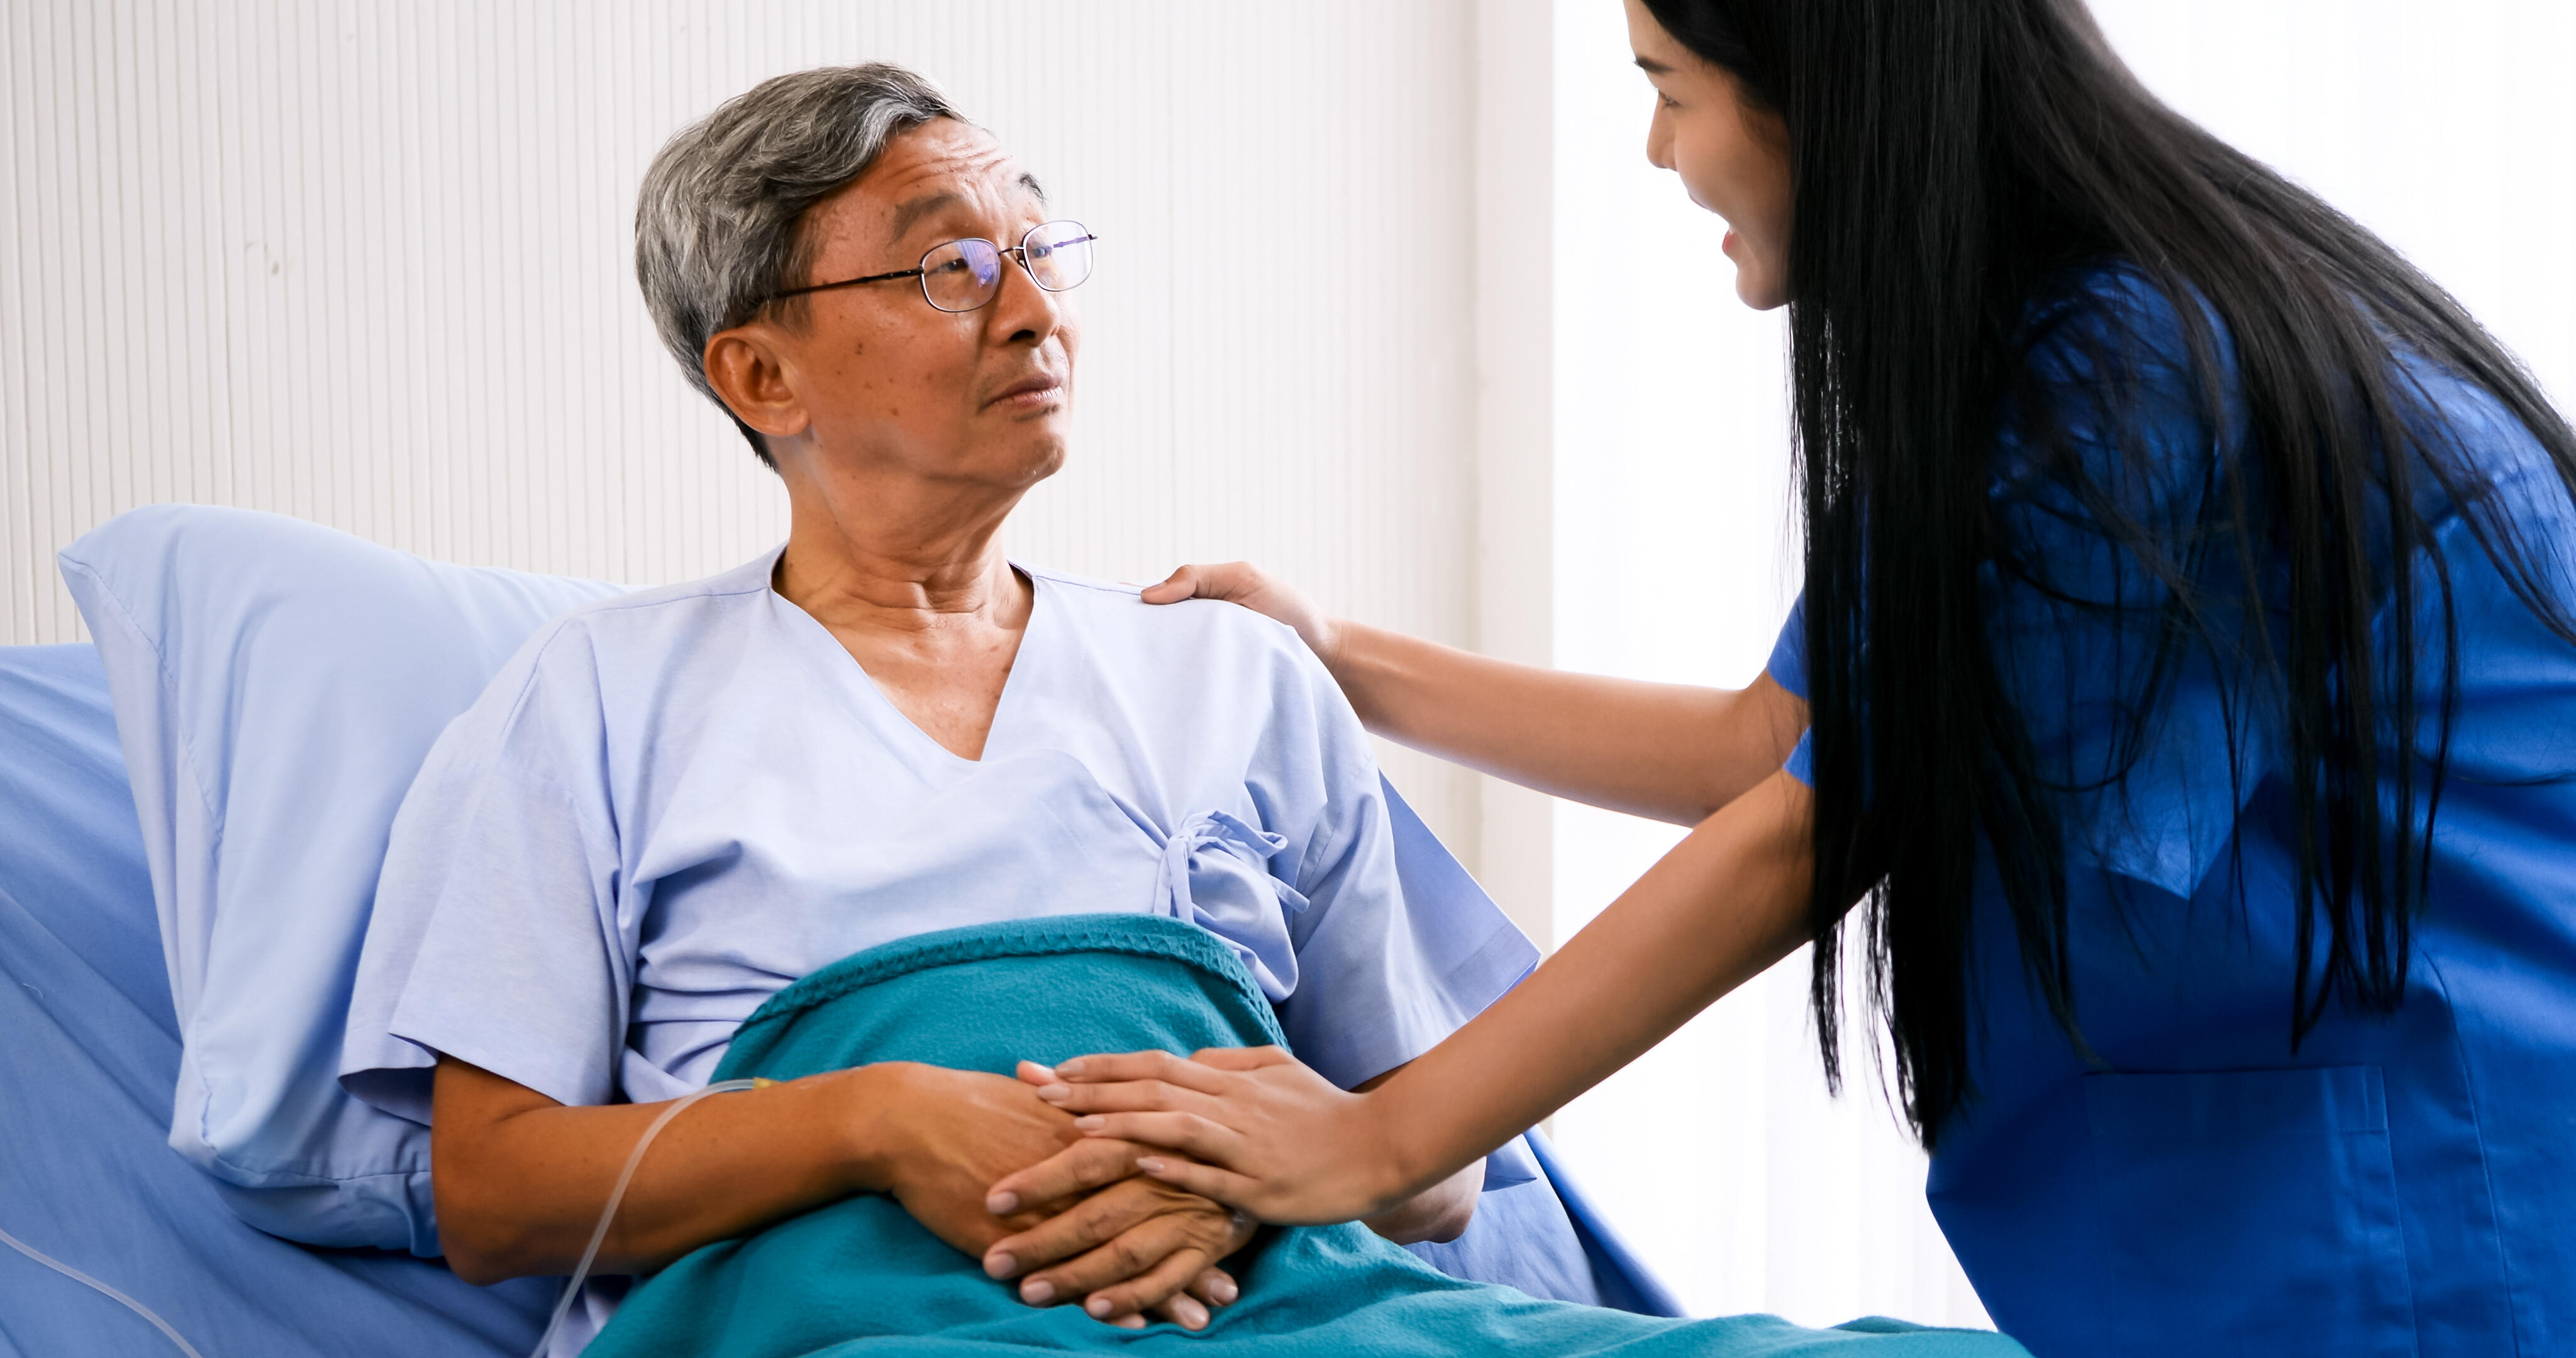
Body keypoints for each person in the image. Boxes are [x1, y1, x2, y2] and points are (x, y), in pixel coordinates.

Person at [995, 1, 2576, 1354]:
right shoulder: (2077, 344)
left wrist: (1376, 1136)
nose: (1658, 152)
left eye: (1666, 87)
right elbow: (1784, 743)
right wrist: (1341, 663)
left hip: (2433, 1206)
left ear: (1820, 77)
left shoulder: (2124, 381)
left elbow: (1813, 826)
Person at [337, 63, 1564, 1355]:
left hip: (1295, 1318)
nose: (1035, 312)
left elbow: (1436, 1176)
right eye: (952, 270)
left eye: (1038, 250)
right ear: (762, 378)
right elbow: (492, 1198)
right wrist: (871, 1122)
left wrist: (1239, 1166)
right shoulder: (596, 697)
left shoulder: (1233, 675)